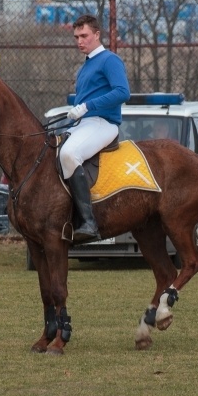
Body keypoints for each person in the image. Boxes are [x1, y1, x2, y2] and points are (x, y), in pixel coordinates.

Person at [61, 14, 130, 242]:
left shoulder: (109, 60)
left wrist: (87, 106)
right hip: (84, 124)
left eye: (84, 36)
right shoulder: (86, 66)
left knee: (70, 154)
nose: (80, 41)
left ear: (97, 35)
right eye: (76, 37)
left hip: (103, 123)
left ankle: (89, 223)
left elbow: (122, 92)